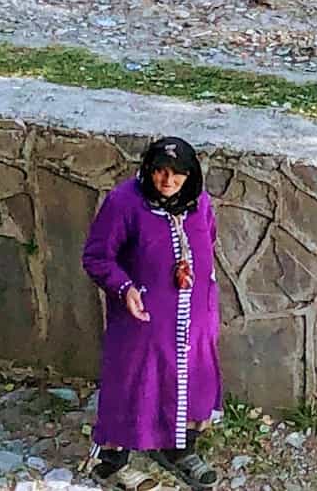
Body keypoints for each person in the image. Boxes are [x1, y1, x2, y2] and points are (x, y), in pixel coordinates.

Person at [82, 136, 221, 491]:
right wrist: (124, 287)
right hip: (143, 317)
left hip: (193, 316)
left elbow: (208, 241)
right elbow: (97, 257)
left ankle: (177, 449)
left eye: (178, 174)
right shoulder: (124, 203)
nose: (168, 181)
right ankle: (111, 462)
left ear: (191, 176)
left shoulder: (199, 203)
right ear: (149, 170)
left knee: (192, 378)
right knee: (133, 382)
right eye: (161, 171)